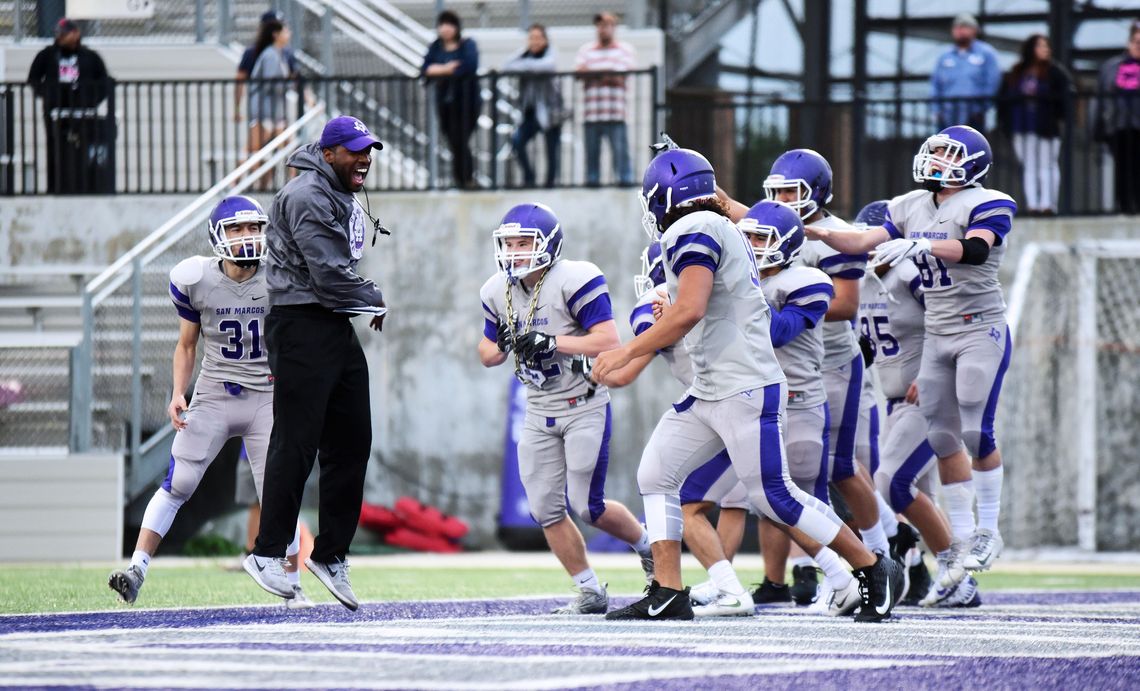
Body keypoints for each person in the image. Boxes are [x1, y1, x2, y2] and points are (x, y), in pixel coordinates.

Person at [593, 148, 902, 623]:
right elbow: (702, 305)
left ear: (663, 195)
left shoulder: (692, 229)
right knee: (655, 475)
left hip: (744, 386)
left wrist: (626, 349)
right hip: (713, 387)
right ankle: (668, 591)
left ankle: (870, 565)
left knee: (775, 495)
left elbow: (691, 308)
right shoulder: (713, 227)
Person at [806, 125, 1016, 578]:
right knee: (943, 439)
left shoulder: (988, 202)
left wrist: (921, 243)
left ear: (973, 161)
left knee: (977, 432)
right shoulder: (908, 206)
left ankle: (989, 530)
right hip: (939, 335)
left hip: (979, 327)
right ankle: (960, 540)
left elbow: (977, 250)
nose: (937, 158)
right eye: (935, 150)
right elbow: (862, 242)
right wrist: (816, 232)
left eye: (948, 153)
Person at [107, 196, 313, 609]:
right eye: (236, 229)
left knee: (280, 490)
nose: (247, 236)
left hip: (266, 395)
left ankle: (293, 584)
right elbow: (187, 344)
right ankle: (137, 569)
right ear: (218, 235)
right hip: (216, 391)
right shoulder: (195, 277)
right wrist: (177, 392)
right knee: (179, 481)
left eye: (253, 227)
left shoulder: (279, 275)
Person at [718, 150, 901, 581]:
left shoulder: (835, 236)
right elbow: (730, 208)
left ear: (817, 194)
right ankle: (790, 574)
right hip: (780, 369)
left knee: (837, 468)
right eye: (776, 192)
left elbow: (844, 305)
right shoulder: (772, 225)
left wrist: (778, 303)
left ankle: (882, 548)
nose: (782, 200)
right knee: (779, 476)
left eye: (791, 192)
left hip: (832, 364)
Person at [478, 202, 654, 615]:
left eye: (525, 243)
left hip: (582, 403)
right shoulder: (495, 290)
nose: (515, 252)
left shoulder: (576, 278)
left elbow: (609, 339)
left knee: (587, 505)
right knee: (544, 507)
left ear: (548, 244)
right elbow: (486, 353)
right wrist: (503, 342)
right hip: (539, 408)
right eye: (509, 243)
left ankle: (649, 547)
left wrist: (552, 342)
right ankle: (590, 591)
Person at [242, 116, 387, 611]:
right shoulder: (306, 194)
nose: (364, 157)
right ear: (328, 154)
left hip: (330, 323)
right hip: (302, 320)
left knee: (353, 440)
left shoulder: (336, 190)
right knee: (297, 441)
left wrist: (360, 299)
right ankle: (266, 551)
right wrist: (371, 296)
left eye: (368, 149)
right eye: (355, 150)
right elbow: (327, 273)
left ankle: (330, 555)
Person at [602, 241, 755, 619]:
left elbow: (626, 370)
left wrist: (600, 365)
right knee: (744, 501)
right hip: (746, 401)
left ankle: (732, 589)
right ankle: (723, 586)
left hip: (724, 406)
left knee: (769, 501)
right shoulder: (728, 296)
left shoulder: (659, 304)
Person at [854, 199, 978, 609]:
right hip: (894, 401)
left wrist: (933, 374)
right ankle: (934, 570)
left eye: (876, 242)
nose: (869, 250)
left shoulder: (913, 274)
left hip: (927, 396)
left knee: (892, 482)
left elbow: (953, 321)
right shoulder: (863, 282)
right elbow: (869, 345)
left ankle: (955, 572)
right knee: (904, 489)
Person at [26, 17, 111, 194]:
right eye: (59, 34)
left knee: (84, 148)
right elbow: (33, 79)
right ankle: (55, 187)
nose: (61, 38)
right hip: (55, 113)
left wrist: (90, 101)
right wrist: (48, 96)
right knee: (55, 149)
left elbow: (104, 82)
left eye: (65, 34)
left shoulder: (90, 56)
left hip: (84, 113)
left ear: (76, 34)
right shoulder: (47, 55)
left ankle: (86, 187)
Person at [998, 34, 1071, 215]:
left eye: (1046, 46)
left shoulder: (1055, 72)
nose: (1045, 49)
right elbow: (1004, 98)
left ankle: (1048, 204)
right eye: (1040, 46)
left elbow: (1064, 99)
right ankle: (1033, 204)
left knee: (1048, 164)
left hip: (1046, 128)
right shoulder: (1016, 72)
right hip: (1022, 127)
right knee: (1029, 166)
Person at [422, 11, 481, 189]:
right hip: (445, 104)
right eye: (442, 24)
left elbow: (469, 66)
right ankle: (461, 179)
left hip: (466, 103)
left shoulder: (467, 44)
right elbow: (425, 69)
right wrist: (447, 68)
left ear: (456, 27)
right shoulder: (436, 47)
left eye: (449, 24)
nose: (445, 29)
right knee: (453, 141)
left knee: (460, 139)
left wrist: (438, 69)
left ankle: (466, 179)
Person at [576, 12, 635, 186]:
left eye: (607, 25)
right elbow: (579, 73)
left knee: (620, 155)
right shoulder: (586, 50)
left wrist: (594, 74)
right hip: (592, 113)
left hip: (616, 113)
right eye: (600, 25)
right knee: (592, 157)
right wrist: (608, 74)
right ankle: (592, 185)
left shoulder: (624, 50)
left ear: (613, 27)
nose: (603, 29)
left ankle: (625, 184)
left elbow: (621, 77)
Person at [504, 24, 565, 188]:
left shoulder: (550, 54)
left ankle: (550, 184)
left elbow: (547, 66)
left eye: (538, 38)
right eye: (531, 38)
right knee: (517, 142)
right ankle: (529, 178)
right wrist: (524, 53)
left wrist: (525, 66)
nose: (535, 42)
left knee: (551, 151)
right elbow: (507, 66)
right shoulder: (525, 55)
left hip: (550, 112)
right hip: (530, 112)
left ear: (545, 40)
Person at [1093, 20, 1140, 214]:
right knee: (1123, 168)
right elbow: (1101, 97)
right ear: (1129, 43)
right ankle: (1126, 205)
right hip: (1119, 125)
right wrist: (1098, 126)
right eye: (1136, 42)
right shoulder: (1113, 66)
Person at [246, 16, 295, 190]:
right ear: (276, 34)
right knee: (257, 152)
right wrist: (289, 83)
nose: (289, 34)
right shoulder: (270, 55)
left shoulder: (279, 53)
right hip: (264, 110)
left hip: (274, 111)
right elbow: (272, 84)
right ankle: (243, 184)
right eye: (286, 30)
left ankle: (272, 185)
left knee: (280, 147)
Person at [930, 13, 1001, 132]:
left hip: (974, 115)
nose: (960, 31)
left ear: (975, 30)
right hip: (947, 115)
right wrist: (936, 110)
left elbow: (992, 83)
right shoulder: (944, 56)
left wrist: (982, 108)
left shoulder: (986, 53)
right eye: (957, 27)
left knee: (971, 148)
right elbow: (935, 85)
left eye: (965, 27)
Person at [235, 10, 299, 126]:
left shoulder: (285, 52)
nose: (288, 33)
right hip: (264, 110)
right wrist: (237, 108)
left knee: (283, 142)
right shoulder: (262, 53)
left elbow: (296, 77)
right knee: (257, 144)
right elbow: (242, 80)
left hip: (277, 109)